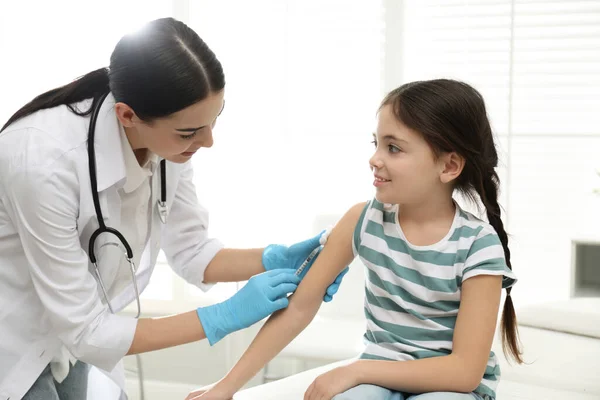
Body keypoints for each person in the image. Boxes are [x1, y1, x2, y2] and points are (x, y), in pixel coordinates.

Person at [0, 17, 346, 400]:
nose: (209, 141)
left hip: (73, 338)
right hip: (13, 340)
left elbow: (192, 252)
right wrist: (223, 316)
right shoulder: (42, 161)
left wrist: (273, 259)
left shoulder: (166, 144)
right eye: (190, 132)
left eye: (215, 120)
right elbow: (87, 331)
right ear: (127, 115)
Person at [186, 79, 524, 400]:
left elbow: (464, 372)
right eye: (376, 144)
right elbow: (300, 307)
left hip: (448, 385)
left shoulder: (478, 245)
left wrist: (359, 369)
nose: (375, 158)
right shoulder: (364, 220)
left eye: (393, 148)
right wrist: (227, 386)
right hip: (378, 373)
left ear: (449, 166)